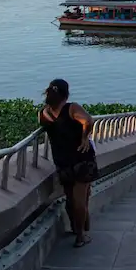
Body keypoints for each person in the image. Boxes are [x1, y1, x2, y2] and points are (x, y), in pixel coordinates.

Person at [39, 79, 97, 247]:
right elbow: (88, 120)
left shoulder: (44, 113)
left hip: (62, 161)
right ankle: (81, 236)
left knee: (72, 198)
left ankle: (78, 228)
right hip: (81, 159)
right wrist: (85, 137)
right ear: (66, 93)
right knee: (81, 199)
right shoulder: (71, 108)